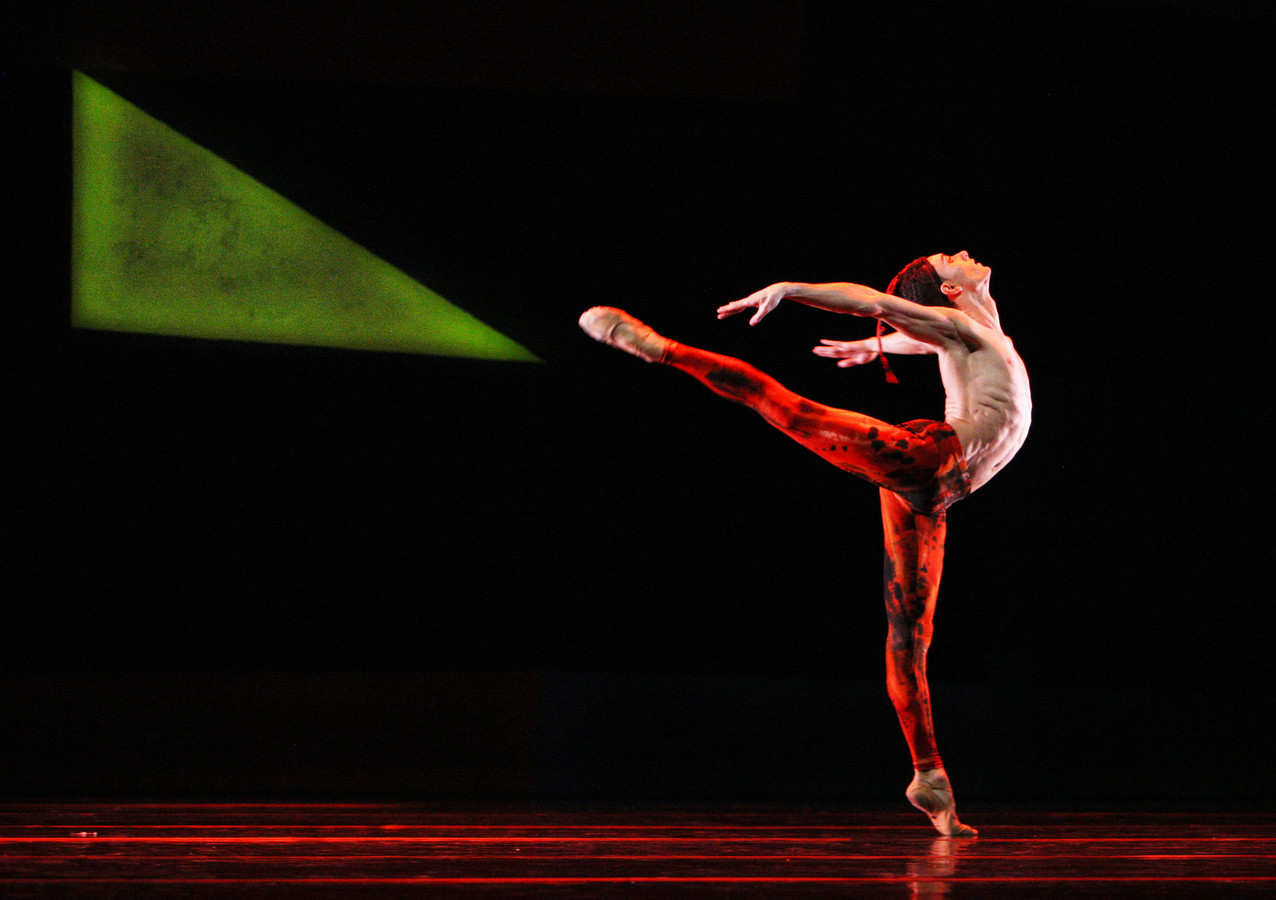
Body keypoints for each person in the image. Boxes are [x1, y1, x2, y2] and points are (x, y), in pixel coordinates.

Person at [578, 251, 1031, 837]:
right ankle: (657, 346)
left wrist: (875, 348)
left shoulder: (972, 334)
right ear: (948, 289)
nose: (964, 254)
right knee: (786, 406)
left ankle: (929, 776)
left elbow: (916, 338)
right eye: (951, 258)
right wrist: (793, 288)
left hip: (932, 491)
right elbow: (873, 301)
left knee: (911, 631)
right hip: (927, 458)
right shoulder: (963, 327)